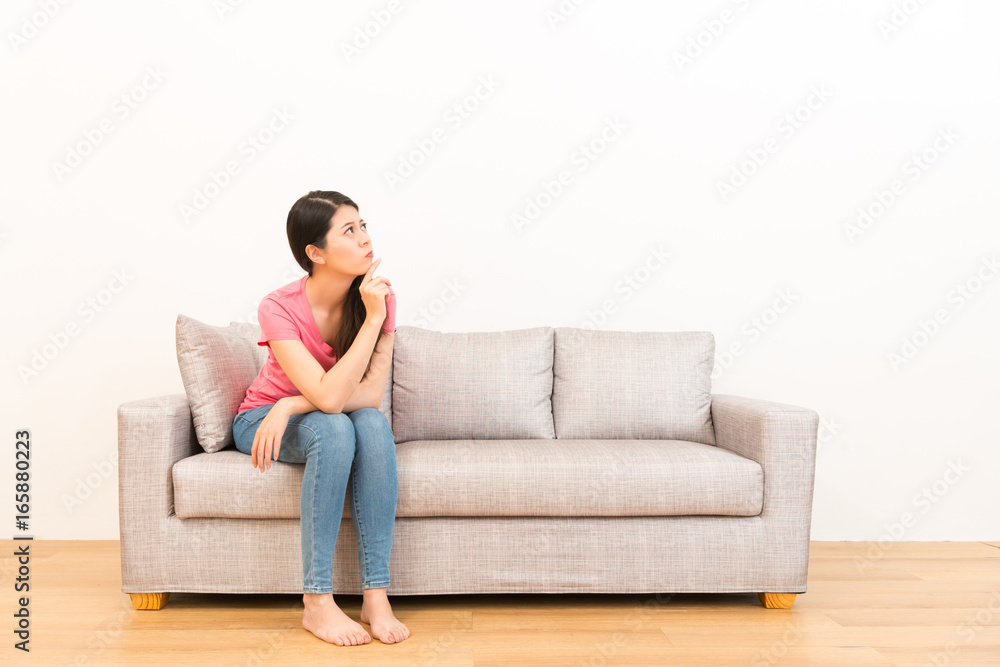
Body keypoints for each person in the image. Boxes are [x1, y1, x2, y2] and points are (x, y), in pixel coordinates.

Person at [231, 190, 410, 646]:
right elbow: (330, 402)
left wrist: (294, 403)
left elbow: (368, 396)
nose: (365, 238)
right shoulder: (278, 307)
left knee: (370, 424)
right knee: (334, 426)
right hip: (261, 419)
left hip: (301, 412)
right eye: (349, 231)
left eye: (363, 225)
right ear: (316, 253)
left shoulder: (378, 298)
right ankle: (316, 601)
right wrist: (285, 405)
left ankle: (375, 593)